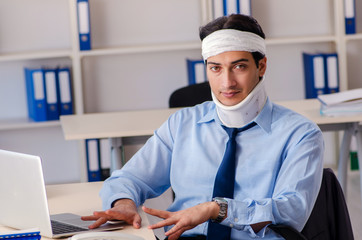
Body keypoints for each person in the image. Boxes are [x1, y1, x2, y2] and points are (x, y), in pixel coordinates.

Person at [81, 14, 324, 240]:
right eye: (215, 68)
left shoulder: (301, 133)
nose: (227, 82)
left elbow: (291, 210)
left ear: (261, 67)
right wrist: (124, 203)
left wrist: (216, 210)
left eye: (239, 66)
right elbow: (131, 177)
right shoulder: (183, 124)